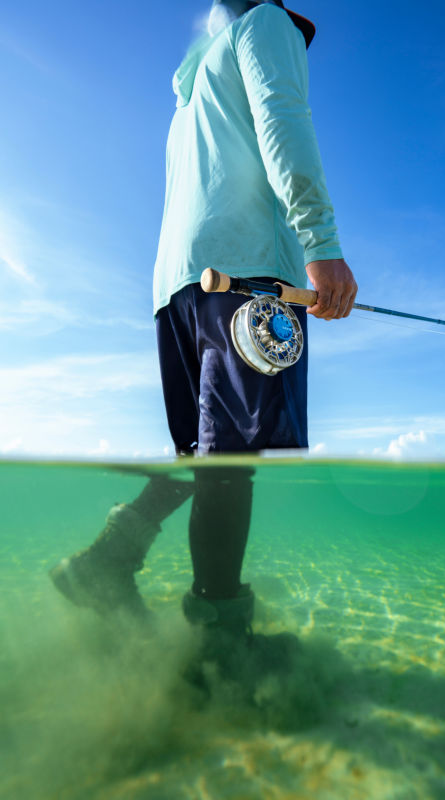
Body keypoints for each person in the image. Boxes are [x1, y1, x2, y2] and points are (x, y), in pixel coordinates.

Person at [49, 1, 358, 639]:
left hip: (175, 289)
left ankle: (109, 559)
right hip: (241, 276)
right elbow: (283, 120)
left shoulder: (186, 95)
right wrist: (321, 244)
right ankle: (222, 648)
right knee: (230, 462)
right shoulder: (266, 24)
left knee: (204, 451)